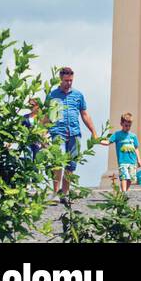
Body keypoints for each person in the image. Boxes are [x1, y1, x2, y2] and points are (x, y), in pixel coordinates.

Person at [45, 66, 98, 200]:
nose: (69, 83)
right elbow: (47, 117)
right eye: (66, 80)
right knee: (58, 161)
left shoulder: (78, 95)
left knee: (71, 164)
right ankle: (56, 192)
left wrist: (94, 132)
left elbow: (84, 114)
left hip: (74, 133)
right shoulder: (52, 95)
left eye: (71, 81)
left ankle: (65, 192)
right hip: (58, 132)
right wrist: (42, 133)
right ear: (60, 79)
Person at [100, 112, 141, 192]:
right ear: (121, 124)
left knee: (130, 179)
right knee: (124, 177)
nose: (128, 127)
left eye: (129, 126)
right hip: (123, 161)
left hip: (132, 161)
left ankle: (124, 192)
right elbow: (108, 142)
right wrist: (98, 141)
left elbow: (136, 148)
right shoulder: (117, 134)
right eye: (126, 125)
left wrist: (138, 159)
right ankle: (124, 193)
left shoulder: (133, 136)